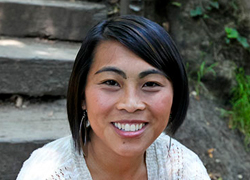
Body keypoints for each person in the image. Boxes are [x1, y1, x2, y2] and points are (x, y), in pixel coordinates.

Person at [17, 15, 210, 180]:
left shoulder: (184, 170)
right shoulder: (46, 174)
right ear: (82, 94)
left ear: (175, 95)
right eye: (111, 82)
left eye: (151, 84)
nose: (131, 104)